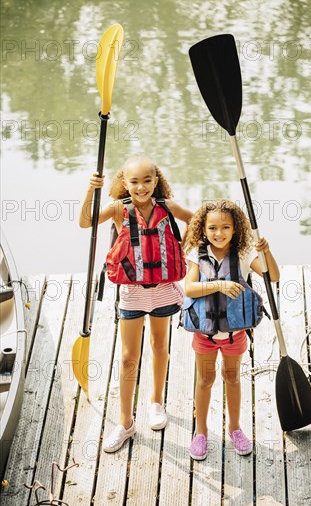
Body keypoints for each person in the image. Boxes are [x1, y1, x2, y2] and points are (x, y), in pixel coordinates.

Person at [79, 154, 192, 453]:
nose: (141, 187)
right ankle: (125, 422)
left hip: (164, 288)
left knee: (159, 346)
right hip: (133, 291)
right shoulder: (119, 208)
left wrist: (182, 248)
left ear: (156, 181)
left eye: (147, 180)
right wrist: (92, 189)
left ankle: (157, 402)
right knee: (129, 357)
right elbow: (85, 222)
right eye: (134, 182)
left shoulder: (166, 207)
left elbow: (196, 220)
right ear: (124, 183)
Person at [183, 199, 279, 460]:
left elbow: (273, 276)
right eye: (212, 228)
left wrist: (266, 252)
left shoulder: (245, 255)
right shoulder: (196, 254)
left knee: (233, 378)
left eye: (225, 227)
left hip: (235, 334)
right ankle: (200, 431)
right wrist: (219, 286)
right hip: (205, 335)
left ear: (235, 229)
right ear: (203, 230)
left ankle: (235, 428)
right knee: (205, 379)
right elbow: (189, 288)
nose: (219, 233)